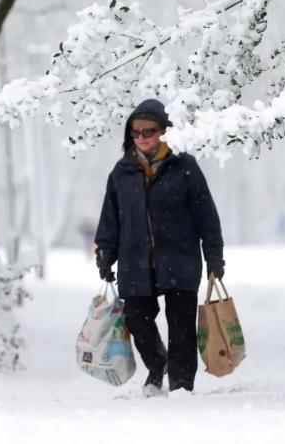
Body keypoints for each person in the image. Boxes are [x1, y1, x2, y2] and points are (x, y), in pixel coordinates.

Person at [94, 98, 224, 397]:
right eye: (136, 132)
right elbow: (110, 219)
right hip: (136, 263)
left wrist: (214, 256)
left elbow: (207, 216)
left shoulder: (184, 166)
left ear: (164, 131)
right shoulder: (122, 172)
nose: (141, 137)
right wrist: (105, 254)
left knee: (181, 330)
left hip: (180, 260)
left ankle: (180, 385)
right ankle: (157, 365)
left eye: (149, 131)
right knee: (136, 319)